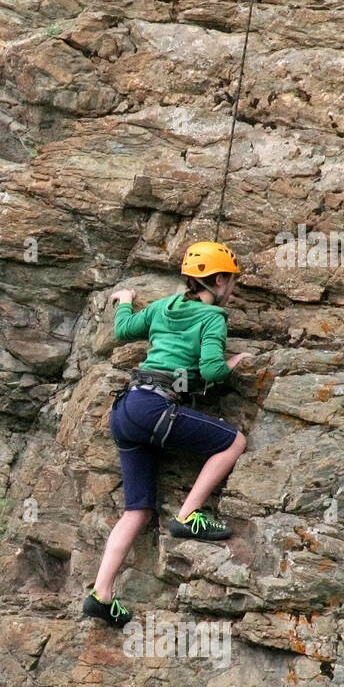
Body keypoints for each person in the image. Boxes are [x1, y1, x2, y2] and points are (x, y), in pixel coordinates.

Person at [83, 240, 254, 627]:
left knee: (137, 510)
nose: (233, 291)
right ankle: (189, 514)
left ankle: (101, 594)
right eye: (232, 283)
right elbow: (210, 371)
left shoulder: (162, 307)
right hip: (154, 407)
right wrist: (232, 362)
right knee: (234, 441)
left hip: (126, 409)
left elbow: (125, 329)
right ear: (220, 279)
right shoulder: (213, 320)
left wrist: (126, 299)